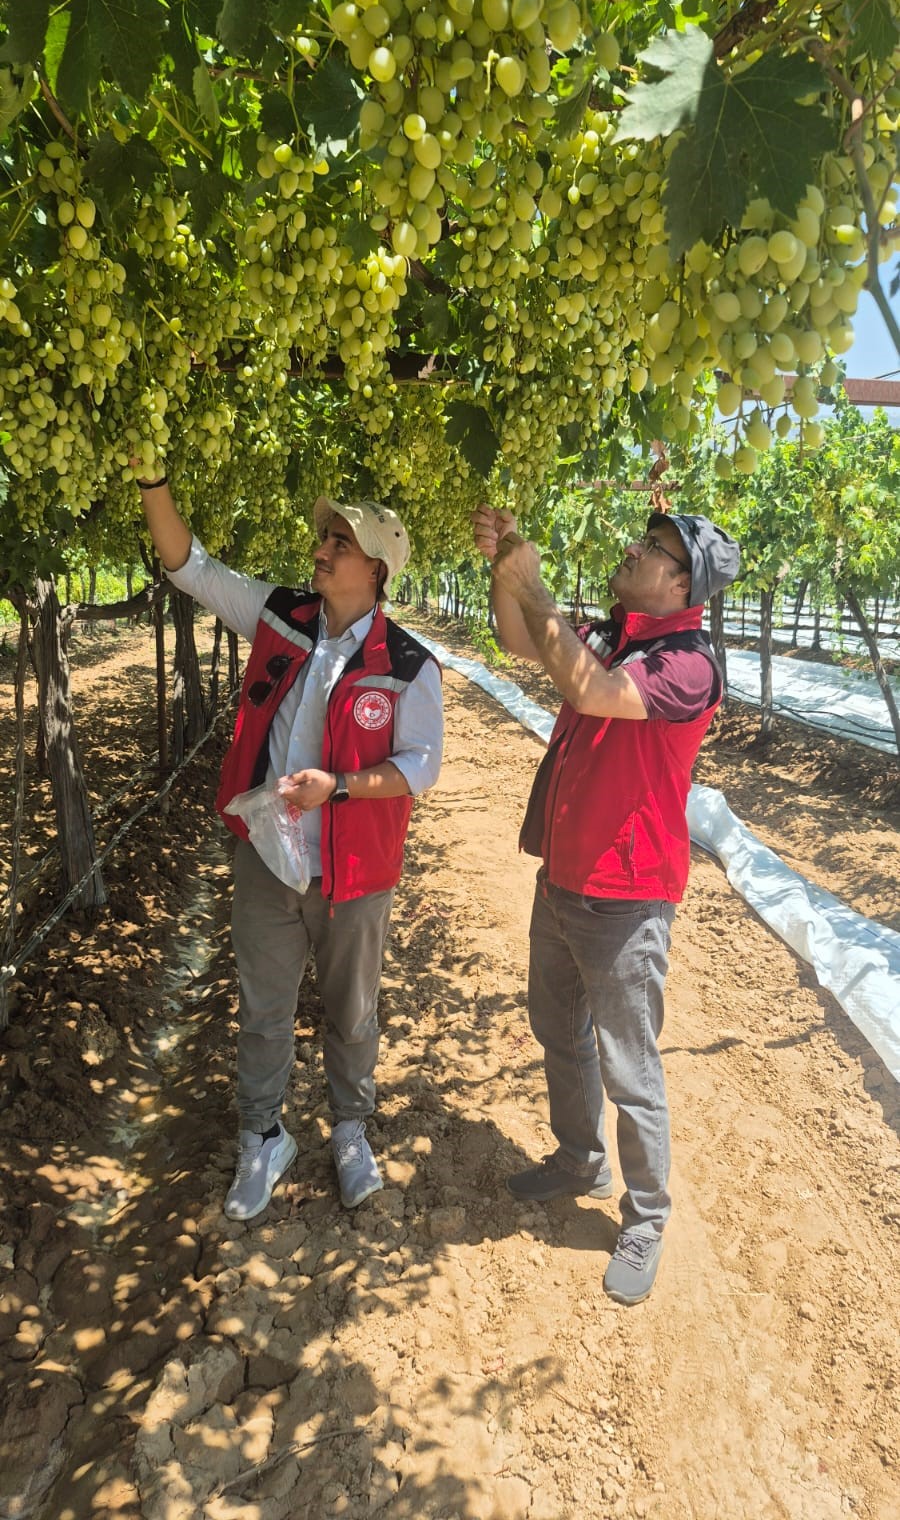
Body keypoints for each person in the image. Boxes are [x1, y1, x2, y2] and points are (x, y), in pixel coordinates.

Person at [139, 475, 443, 1217]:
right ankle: (262, 1135)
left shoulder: (408, 665)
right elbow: (192, 568)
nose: (322, 550)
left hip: (354, 874)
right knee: (264, 1008)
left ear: (376, 569)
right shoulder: (281, 616)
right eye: (324, 537)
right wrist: (154, 482)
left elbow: (419, 767)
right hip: (270, 860)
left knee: (352, 1012)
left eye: (341, 542)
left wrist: (339, 787)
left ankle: (350, 1129)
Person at [472, 503, 740, 1305]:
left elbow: (589, 693)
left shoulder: (689, 663)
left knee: (630, 1064)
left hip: (626, 898)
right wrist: (508, 567)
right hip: (563, 877)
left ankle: (647, 1215)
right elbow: (520, 639)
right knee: (558, 1029)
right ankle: (579, 1160)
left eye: (651, 547)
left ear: (682, 583)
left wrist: (535, 588)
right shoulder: (612, 635)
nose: (632, 547)